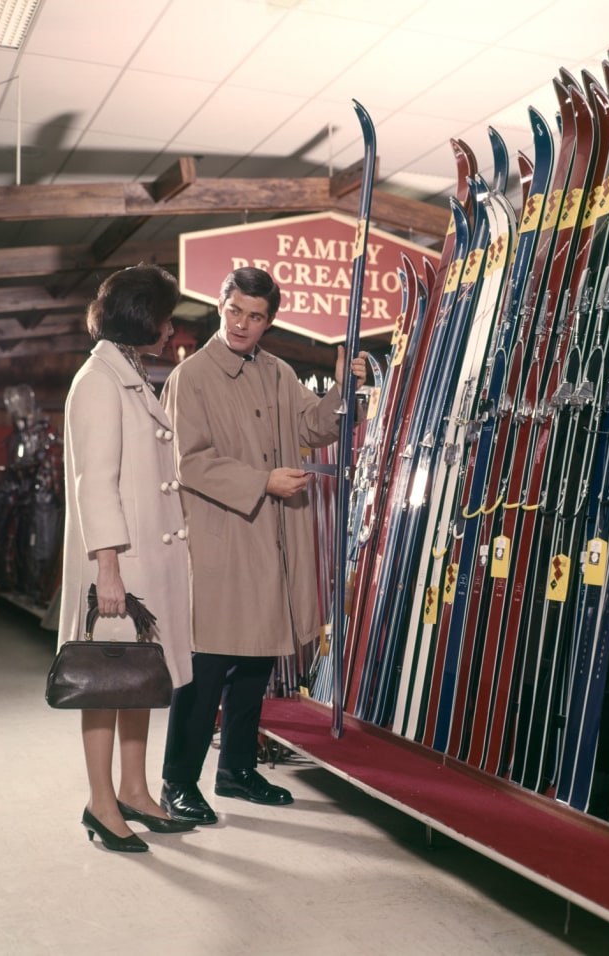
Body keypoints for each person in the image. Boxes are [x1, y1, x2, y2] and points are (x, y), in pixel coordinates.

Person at [159, 266, 367, 823]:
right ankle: (178, 782)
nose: (242, 324)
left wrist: (344, 389)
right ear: (220, 306)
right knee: (208, 668)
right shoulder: (193, 376)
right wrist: (262, 480)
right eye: (234, 311)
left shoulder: (278, 371)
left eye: (255, 316)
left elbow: (313, 427)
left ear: (269, 320)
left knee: (255, 665)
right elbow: (189, 461)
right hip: (223, 540)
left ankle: (237, 771)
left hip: (273, 540)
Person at [57, 264, 195, 853]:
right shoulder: (97, 381)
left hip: (144, 561)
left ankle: (135, 790)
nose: (170, 329)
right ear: (141, 315)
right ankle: (99, 800)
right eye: (165, 317)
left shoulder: (129, 371)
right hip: (119, 563)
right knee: (109, 683)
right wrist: (107, 569)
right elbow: (96, 483)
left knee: (139, 679)